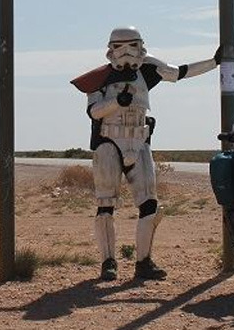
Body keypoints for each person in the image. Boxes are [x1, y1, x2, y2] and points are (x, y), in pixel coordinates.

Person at [70, 26, 221, 281]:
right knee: (106, 203)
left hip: (139, 142)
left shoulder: (149, 69)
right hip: (109, 142)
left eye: (133, 46)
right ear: (111, 49)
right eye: (121, 47)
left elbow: (179, 72)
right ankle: (108, 262)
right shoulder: (98, 78)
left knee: (149, 202)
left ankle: (144, 261)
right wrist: (117, 103)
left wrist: (214, 62)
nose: (128, 53)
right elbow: (94, 111)